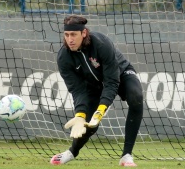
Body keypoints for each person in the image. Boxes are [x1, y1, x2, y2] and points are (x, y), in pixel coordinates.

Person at [50, 15, 143, 167]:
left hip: (120, 74)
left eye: (73, 34)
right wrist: (80, 114)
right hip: (92, 86)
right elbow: (77, 90)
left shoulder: (101, 44)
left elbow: (112, 82)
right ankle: (72, 151)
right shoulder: (63, 58)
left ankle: (126, 155)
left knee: (136, 97)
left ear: (84, 33)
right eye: (66, 35)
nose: (70, 39)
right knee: (87, 124)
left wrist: (100, 110)